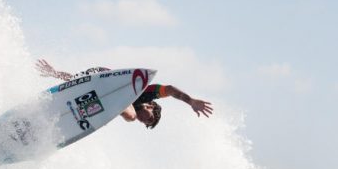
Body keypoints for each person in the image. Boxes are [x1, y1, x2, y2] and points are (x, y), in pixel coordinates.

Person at [36, 59, 213, 129]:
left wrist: (55, 74)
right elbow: (171, 90)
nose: (144, 121)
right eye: (150, 118)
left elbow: (75, 82)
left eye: (146, 123)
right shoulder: (148, 94)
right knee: (130, 117)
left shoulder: (131, 112)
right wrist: (191, 102)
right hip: (102, 77)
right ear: (151, 107)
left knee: (129, 116)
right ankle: (115, 105)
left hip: (98, 97)